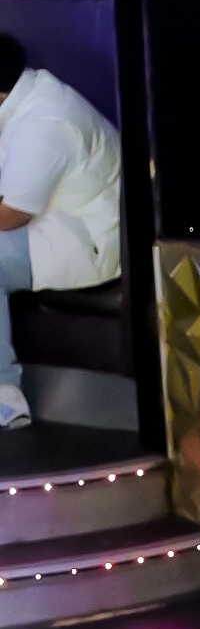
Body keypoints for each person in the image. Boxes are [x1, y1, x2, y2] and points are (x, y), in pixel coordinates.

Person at [0, 36, 122, 428]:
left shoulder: (44, 123)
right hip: (53, 222)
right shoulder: (24, 95)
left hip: (85, 242)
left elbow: (9, 216)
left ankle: (5, 398)